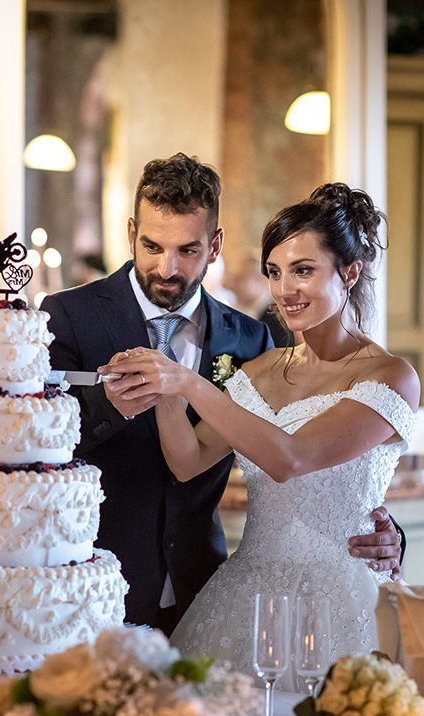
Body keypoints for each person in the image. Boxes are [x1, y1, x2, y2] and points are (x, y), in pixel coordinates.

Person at [41, 155, 404, 635]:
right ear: (131, 234)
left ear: (214, 246)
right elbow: (35, 440)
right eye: (152, 246)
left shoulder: (251, 340)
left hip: (202, 588)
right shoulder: (69, 316)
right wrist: (121, 402)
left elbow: (302, 458)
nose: (167, 267)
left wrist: (384, 529)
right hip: (92, 582)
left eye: (188, 250)